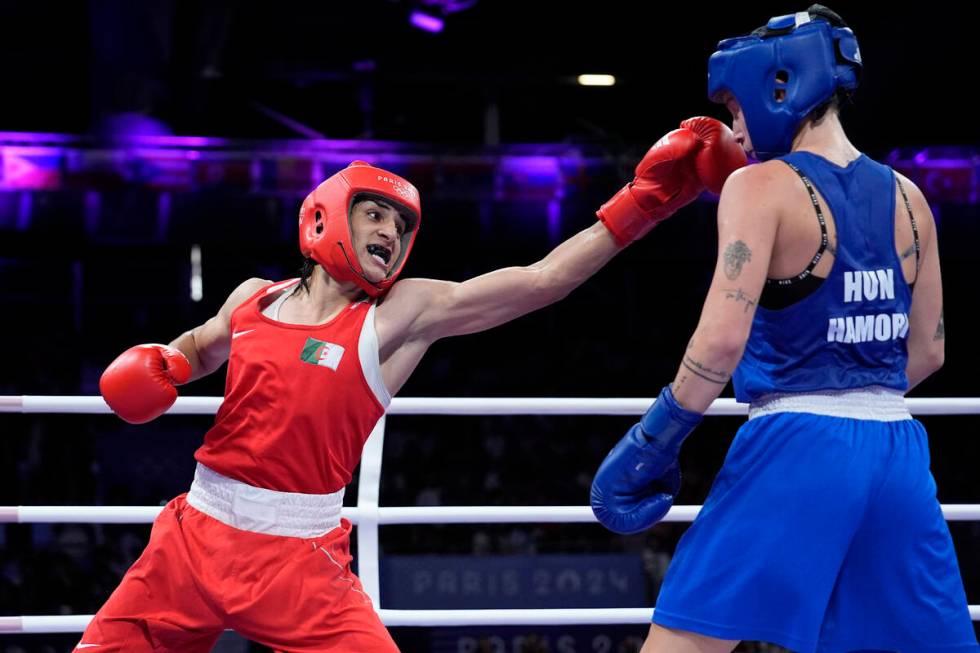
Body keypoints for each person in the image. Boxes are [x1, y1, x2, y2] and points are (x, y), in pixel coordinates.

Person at [82, 117, 746, 652]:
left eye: (401, 228)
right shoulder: (254, 297)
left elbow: (542, 280)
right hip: (193, 537)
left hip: (298, 562)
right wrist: (166, 362)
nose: (391, 234)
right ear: (326, 216)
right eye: (376, 216)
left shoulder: (395, 317)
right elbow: (202, 346)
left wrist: (644, 203)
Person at [590, 5, 979, 653]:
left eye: (735, 107)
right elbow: (930, 350)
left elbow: (718, 342)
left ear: (778, 86)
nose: (734, 127)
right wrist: (852, 391)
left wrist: (653, 440)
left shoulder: (760, 187)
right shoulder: (912, 198)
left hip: (797, 442)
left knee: (681, 644)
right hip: (897, 451)